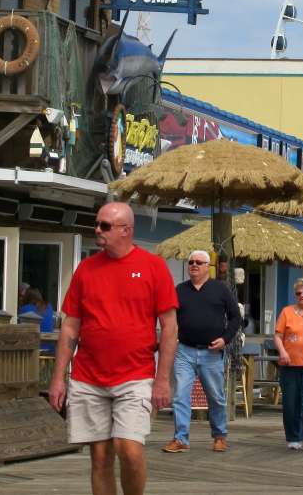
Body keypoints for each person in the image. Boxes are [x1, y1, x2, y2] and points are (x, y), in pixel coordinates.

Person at [49, 202, 178, 495]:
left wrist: (163, 379)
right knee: (100, 457)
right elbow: (70, 326)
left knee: (129, 450)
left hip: (135, 375)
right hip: (88, 377)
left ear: (126, 230)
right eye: (97, 223)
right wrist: (58, 378)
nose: (97, 230)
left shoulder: (153, 267)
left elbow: (170, 328)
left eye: (105, 225)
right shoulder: (86, 269)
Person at [162, 250, 241, 454]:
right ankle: (181, 439)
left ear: (208, 266)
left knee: (215, 396)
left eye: (199, 262)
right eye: (190, 262)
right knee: (180, 395)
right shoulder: (179, 290)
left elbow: (235, 318)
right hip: (184, 350)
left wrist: (225, 339)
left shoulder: (220, 289)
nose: (194, 265)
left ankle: (220, 436)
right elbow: (168, 319)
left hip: (211, 353)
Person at [273, 278, 303, 452]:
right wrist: (283, 352)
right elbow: (278, 336)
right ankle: (293, 437)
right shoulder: (287, 312)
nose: (302, 296)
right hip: (289, 363)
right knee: (290, 402)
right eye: (298, 293)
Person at [18, 287, 57, 353]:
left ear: (27, 297)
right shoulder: (48, 306)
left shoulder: (25, 309)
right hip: (50, 348)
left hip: (33, 348)